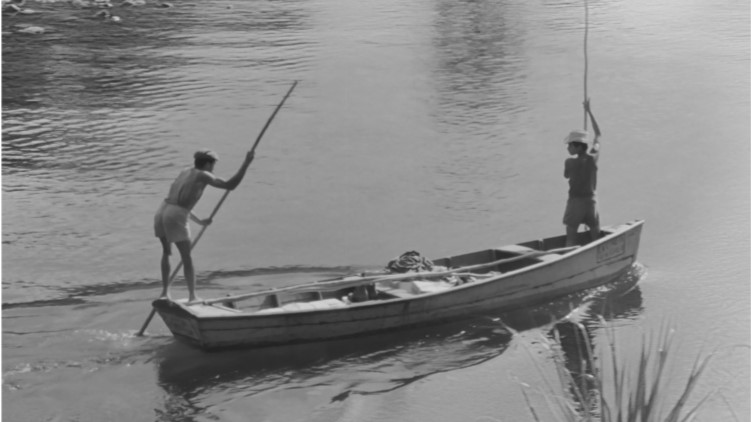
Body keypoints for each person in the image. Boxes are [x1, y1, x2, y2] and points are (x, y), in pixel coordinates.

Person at [154, 149, 254, 303]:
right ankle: (192, 296)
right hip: (175, 215)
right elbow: (230, 185)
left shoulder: (186, 171)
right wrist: (246, 164)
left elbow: (178, 201)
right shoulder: (204, 175)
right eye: (213, 164)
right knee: (186, 257)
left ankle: (165, 293)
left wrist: (200, 221)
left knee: (167, 252)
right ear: (207, 163)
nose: (213, 168)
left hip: (162, 211)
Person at [563, 99, 601, 247]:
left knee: (571, 238)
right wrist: (590, 112)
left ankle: (568, 259)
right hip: (591, 202)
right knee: (595, 236)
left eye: (570, 145)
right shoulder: (593, 158)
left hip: (575, 203)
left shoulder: (569, 162)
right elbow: (598, 135)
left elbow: (566, 175)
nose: (568, 148)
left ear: (578, 147)